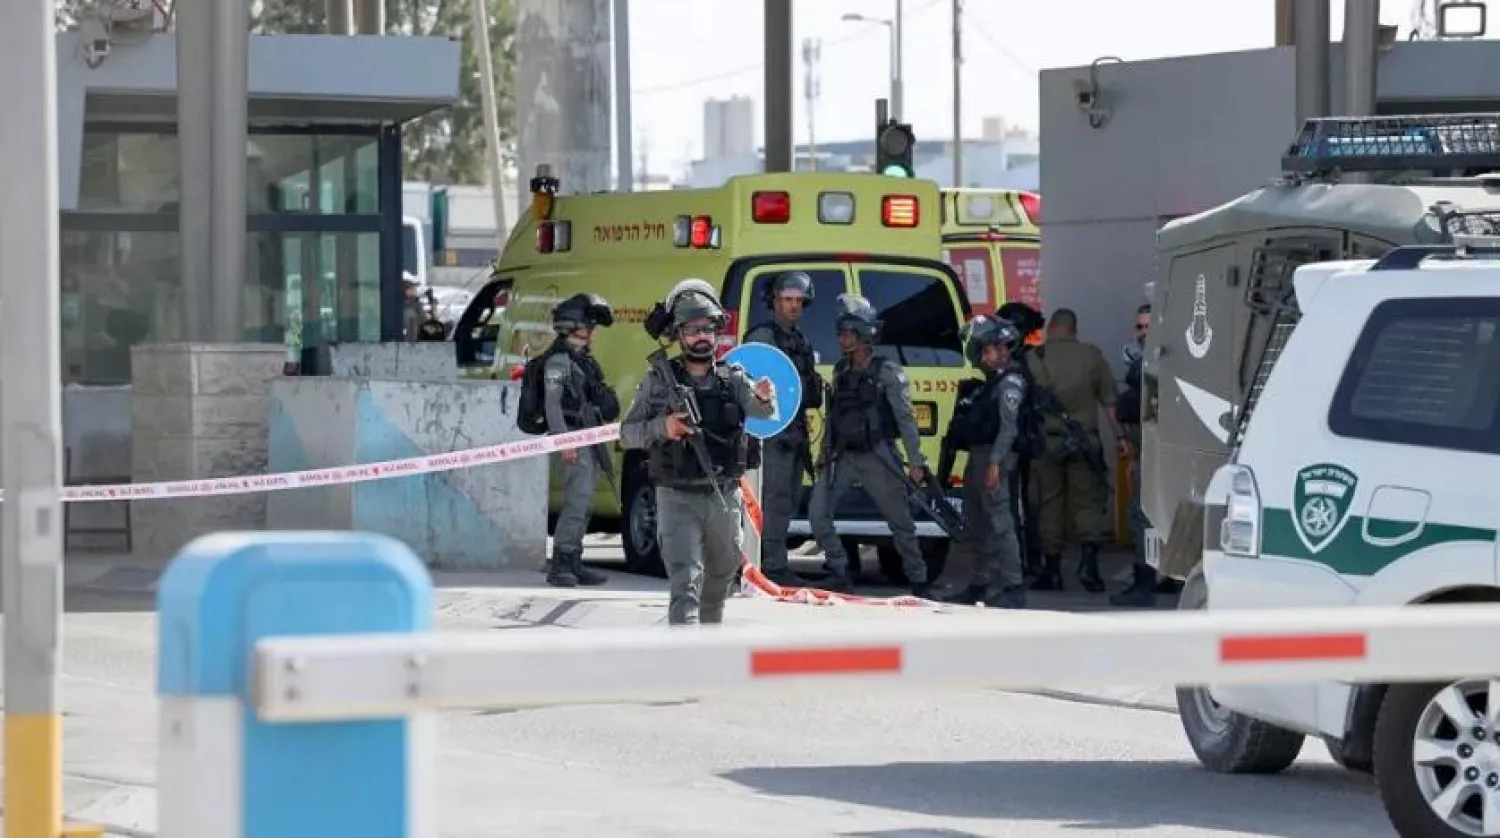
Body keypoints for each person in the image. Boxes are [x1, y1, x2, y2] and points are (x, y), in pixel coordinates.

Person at [620, 279, 776, 625]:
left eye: (707, 329)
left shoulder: (733, 378)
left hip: (723, 493)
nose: (701, 337)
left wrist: (766, 396)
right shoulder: (658, 381)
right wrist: (664, 427)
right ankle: (686, 651)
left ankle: (708, 645)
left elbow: (763, 412)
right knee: (686, 581)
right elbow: (627, 433)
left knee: (720, 577)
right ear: (678, 334)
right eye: (692, 330)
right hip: (676, 496)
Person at [808, 294, 931, 597]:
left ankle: (919, 581)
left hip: (879, 457)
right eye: (840, 333)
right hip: (843, 457)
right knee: (817, 513)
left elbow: (905, 418)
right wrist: (824, 453)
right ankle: (840, 570)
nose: (840, 339)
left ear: (863, 335)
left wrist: (916, 461)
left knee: (901, 523)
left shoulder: (887, 371)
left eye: (846, 333)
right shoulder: (841, 371)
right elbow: (833, 415)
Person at [1027, 308, 1129, 592]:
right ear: (1074, 329)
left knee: (1050, 503)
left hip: (1047, 442)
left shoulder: (1034, 357)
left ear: (1051, 327)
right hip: (1085, 441)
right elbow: (1110, 404)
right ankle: (1090, 566)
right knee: (1089, 503)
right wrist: (1120, 437)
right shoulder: (1092, 356)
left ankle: (1053, 571)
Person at [940, 316, 1030, 608]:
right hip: (979, 457)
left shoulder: (1011, 383)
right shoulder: (992, 382)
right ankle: (979, 583)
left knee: (1000, 524)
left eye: (988, 350)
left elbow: (1009, 429)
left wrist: (994, 463)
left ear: (1004, 348)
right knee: (975, 523)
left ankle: (1013, 586)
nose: (984, 357)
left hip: (996, 457)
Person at [743, 271, 822, 587]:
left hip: (794, 432)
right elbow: (747, 379)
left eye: (798, 301)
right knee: (773, 500)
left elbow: (806, 391)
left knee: (786, 500)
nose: (793, 306)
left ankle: (771, 564)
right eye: (787, 299)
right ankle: (769, 567)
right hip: (770, 434)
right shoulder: (763, 337)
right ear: (774, 302)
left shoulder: (799, 340)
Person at [541, 292, 619, 588]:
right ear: (572, 329)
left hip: (588, 437)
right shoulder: (558, 362)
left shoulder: (583, 361)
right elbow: (552, 405)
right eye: (588, 328)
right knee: (576, 503)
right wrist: (565, 441)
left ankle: (574, 560)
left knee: (585, 503)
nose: (591, 334)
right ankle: (561, 563)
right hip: (573, 437)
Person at [1111, 302, 1160, 607]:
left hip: (1160, 454)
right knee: (1142, 516)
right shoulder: (1141, 363)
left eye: (1148, 327)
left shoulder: (1163, 364)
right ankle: (1151, 578)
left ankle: (1146, 583)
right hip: (1145, 451)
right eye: (1139, 327)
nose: (1142, 333)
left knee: (1144, 517)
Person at [997, 301, 1046, 582]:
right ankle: (1031, 561)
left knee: (1015, 505)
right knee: (1029, 504)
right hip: (1029, 440)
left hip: (1019, 441)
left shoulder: (1016, 364)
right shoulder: (1036, 360)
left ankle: (1021, 563)